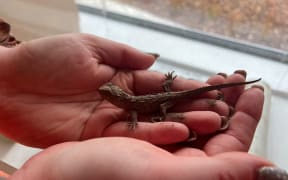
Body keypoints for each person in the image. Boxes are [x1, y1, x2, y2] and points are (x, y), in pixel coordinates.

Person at [0, 31, 285, 180]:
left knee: (189, 99)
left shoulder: (129, 104)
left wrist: (10, 69)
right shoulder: (126, 103)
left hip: (161, 102)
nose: (105, 93)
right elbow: (133, 108)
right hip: (157, 100)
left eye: (107, 92)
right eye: (106, 93)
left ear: (115, 96)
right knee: (189, 103)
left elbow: (138, 108)